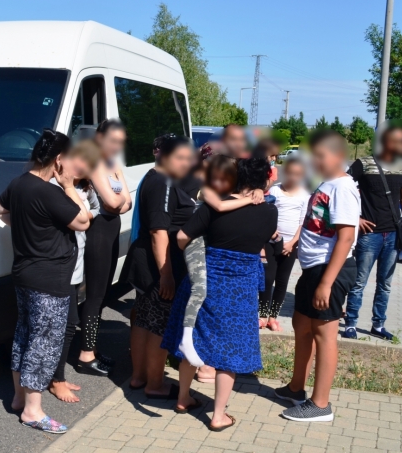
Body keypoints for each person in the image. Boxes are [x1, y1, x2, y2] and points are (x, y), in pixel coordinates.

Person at [164, 157, 277, 431]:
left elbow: (182, 237)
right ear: (265, 179)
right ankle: (218, 415)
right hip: (240, 288)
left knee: (193, 341)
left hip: (206, 280)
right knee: (230, 350)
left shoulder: (215, 206)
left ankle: (182, 398)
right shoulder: (269, 212)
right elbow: (266, 239)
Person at [0, 129, 91, 434]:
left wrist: (26, 225)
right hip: (50, 279)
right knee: (44, 342)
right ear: (59, 159)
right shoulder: (50, 192)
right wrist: (69, 186)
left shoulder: (19, 183)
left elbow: (0, 209)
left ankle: (18, 398)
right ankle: (32, 411)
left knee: (24, 334)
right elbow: (83, 221)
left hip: (24, 274)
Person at [276, 130, 360, 422]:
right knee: (302, 325)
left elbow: (346, 238)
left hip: (329, 271)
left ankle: (321, 404)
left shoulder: (342, 187)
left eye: (320, 156)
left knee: (325, 335)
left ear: (338, 156)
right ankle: (296, 388)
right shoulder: (327, 183)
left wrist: (326, 283)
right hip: (313, 269)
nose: (315, 162)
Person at [121, 136, 195, 398]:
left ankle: (139, 376)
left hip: (148, 262)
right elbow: (158, 231)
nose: (185, 163)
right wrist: (167, 275)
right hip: (158, 264)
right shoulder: (163, 182)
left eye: (188, 158)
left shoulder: (155, 178)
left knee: (143, 319)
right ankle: (155, 383)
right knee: (158, 324)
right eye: (180, 158)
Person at [48, 140, 102, 403]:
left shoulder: (84, 187)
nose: (83, 167)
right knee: (61, 324)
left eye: (89, 164)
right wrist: (80, 217)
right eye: (81, 160)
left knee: (69, 323)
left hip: (75, 264)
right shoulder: (54, 186)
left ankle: (57, 376)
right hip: (58, 266)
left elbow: (95, 210)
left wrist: (86, 217)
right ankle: (55, 379)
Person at [78, 119, 132, 376]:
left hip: (112, 230)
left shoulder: (112, 164)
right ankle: (86, 354)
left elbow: (127, 203)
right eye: (112, 141)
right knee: (95, 295)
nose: (116, 146)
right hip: (98, 232)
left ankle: (93, 347)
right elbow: (111, 203)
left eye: (120, 142)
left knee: (104, 293)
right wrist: (119, 200)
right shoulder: (95, 162)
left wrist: (118, 200)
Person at [343, 126, 402, 340]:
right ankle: (351, 323)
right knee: (359, 281)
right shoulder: (364, 163)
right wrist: (355, 218)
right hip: (370, 234)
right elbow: (343, 187)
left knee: (385, 284)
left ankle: (378, 324)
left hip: (393, 233)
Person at [260, 158, 310, 331]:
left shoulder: (305, 195)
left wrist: (292, 243)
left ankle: (273, 317)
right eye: (290, 173)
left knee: (282, 281)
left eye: (297, 174)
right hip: (271, 242)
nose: (293, 177)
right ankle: (262, 315)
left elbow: (303, 223)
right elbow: (267, 214)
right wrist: (273, 235)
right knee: (268, 279)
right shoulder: (275, 190)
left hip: (290, 246)